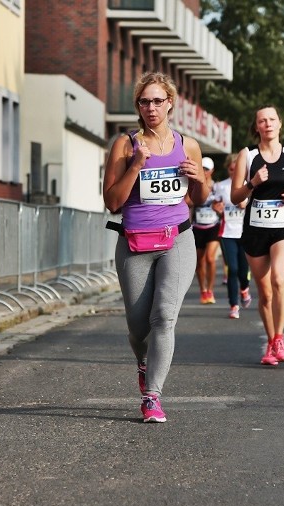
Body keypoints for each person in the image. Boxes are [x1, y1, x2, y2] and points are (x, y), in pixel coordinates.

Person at [103, 71, 208, 422]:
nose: (151, 107)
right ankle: (143, 361)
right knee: (138, 325)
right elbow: (113, 202)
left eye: (158, 101)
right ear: (138, 106)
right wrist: (136, 164)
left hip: (178, 238)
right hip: (135, 242)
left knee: (164, 316)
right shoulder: (124, 144)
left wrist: (198, 179)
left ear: (170, 104)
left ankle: (152, 396)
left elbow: (201, 197)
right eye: (145, 101)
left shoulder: (187, 144)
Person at [230, 105, 284, 366]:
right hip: (255, 229)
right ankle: (270, 342)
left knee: (279, 279)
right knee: (264, 293)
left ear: (280, 124)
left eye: (272, 119)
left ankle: (279, 339)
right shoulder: (247, 155)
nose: (267, 124)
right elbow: (235, 196)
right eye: (262, 121)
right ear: (256, 127)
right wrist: (252, 183)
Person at [211, 153, 252, 319]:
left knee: (244, 271)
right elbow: (215, 203)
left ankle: (245, 288)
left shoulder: (249, 184)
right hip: (227, 232)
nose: (234, 172)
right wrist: (216, 208)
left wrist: (245, 204)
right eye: (231, 169)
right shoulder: (221, 186)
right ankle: (234, 305)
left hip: (246, 232)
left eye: (237, 169)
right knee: (232, 269)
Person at [192, 156, 222, 304]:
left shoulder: (217, 187)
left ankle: (210, 290)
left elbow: (224, 206)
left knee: (210, 258)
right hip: (197, 227)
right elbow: (187, 201)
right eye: (201, 168)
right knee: (200, 262)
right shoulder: (194, 184)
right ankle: (203, 290)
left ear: (212, 171)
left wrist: (218, 208)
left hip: (213, 226)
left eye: (206, 169)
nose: (203, 171)